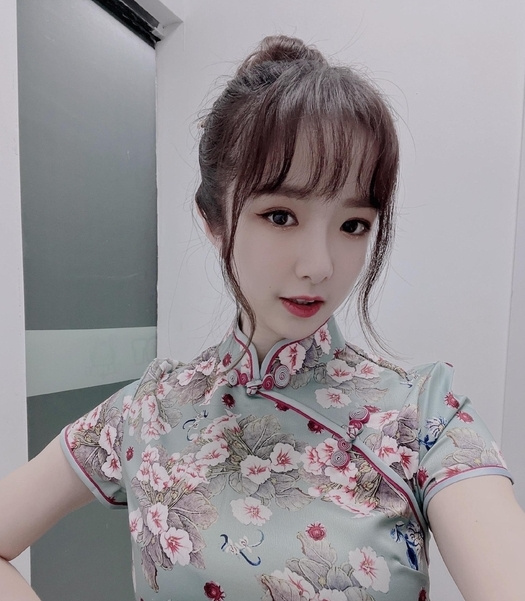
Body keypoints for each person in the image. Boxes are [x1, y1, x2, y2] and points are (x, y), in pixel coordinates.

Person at [1, 34, 524, 601]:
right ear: (214, 220)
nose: (319, 265)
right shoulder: (148, 411)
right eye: (280, 216)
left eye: (353, 225)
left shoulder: (421, 418)